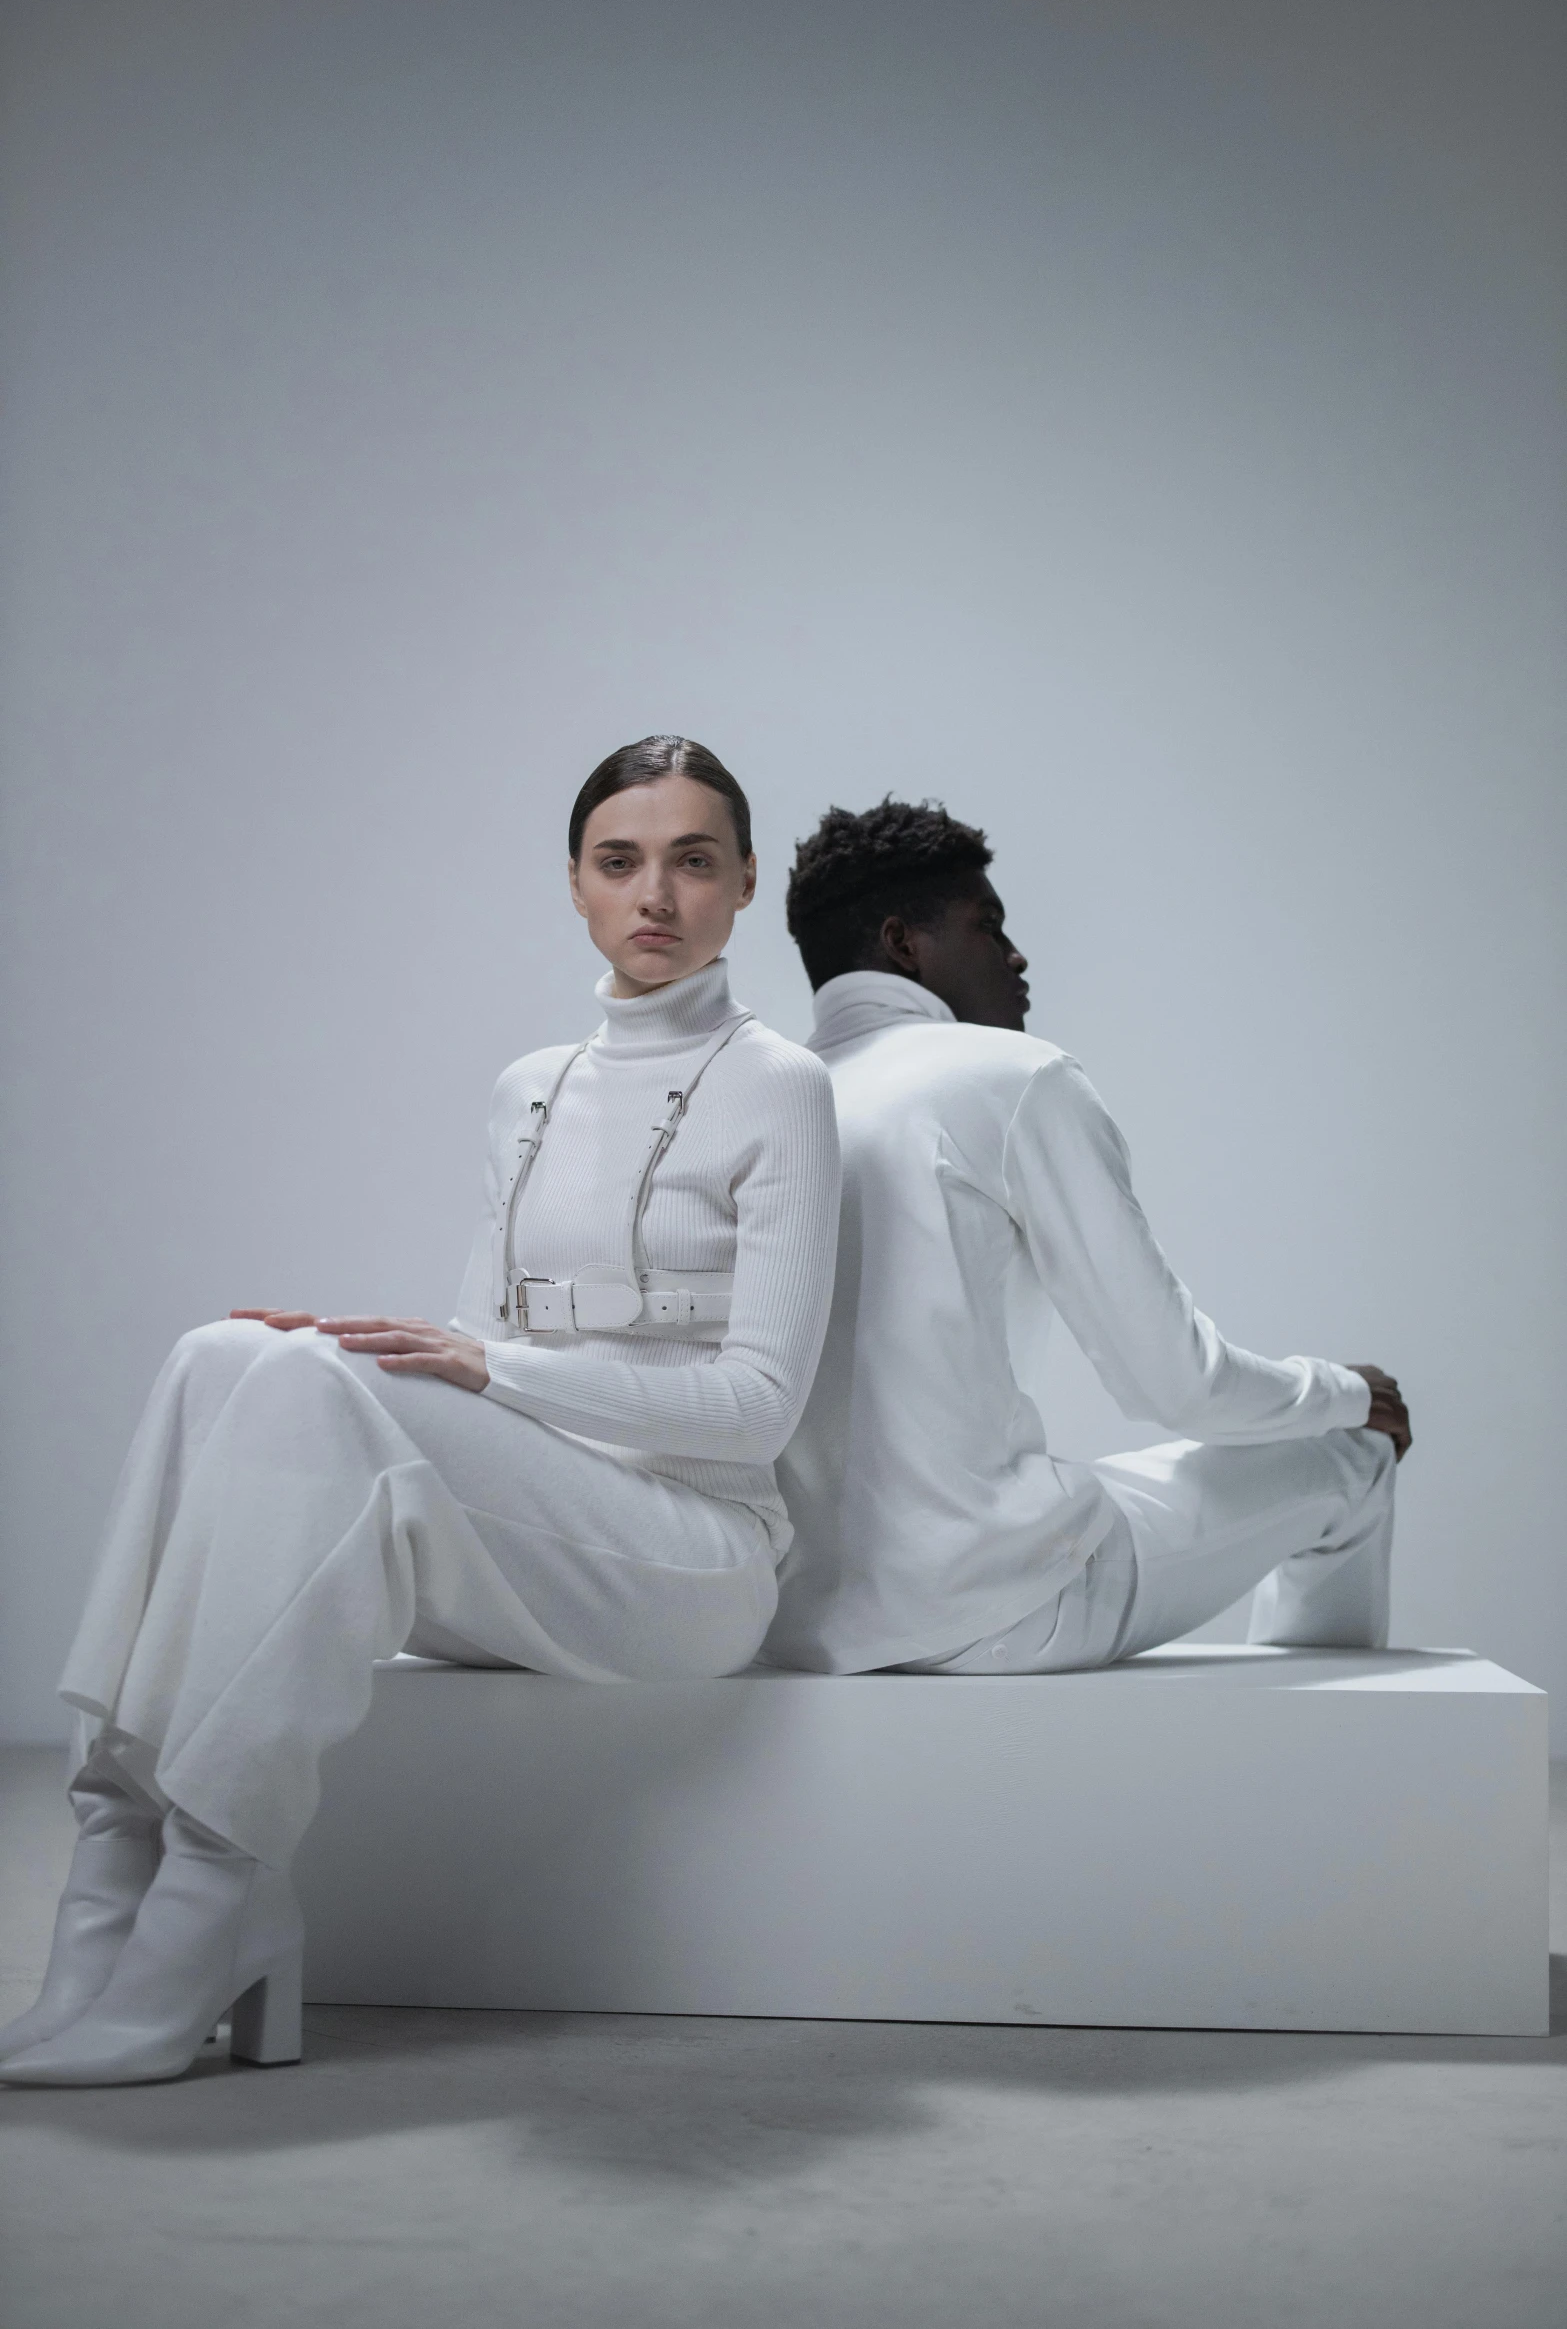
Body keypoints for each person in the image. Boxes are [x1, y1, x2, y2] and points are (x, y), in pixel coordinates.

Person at [1, 736, 839, 2087]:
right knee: (224, 1353)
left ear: (744, 882)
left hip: (692, 1557)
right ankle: (105, 1902)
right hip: (533, 1526)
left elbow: (750, 1412)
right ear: (572, 882)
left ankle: (214, 1898)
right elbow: (474, 1345)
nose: (656, 897)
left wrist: (491, 1372)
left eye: (694, 861)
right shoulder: (528, 1085)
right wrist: (385, 1359)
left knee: (302, 1381)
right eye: (619, 861)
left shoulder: (781, 1087)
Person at [763, 797, 1410, 1680]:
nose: (1017, 955)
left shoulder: (768, 1105)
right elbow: (1176, 1384)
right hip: (1002, 1608)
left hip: (798, 1627)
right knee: (1351, 1456)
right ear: (903, 944)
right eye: (987, 925)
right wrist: (1344, 1393)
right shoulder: (1014, 1078)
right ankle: (1328, 1770)